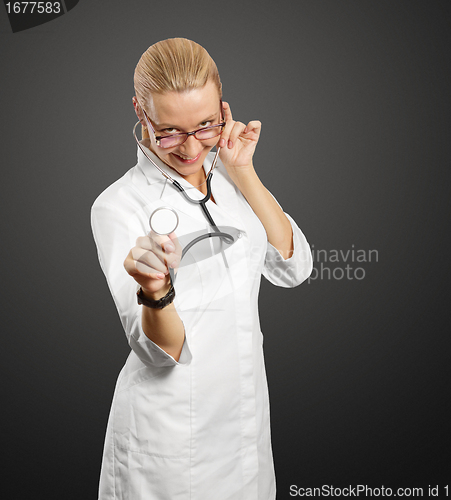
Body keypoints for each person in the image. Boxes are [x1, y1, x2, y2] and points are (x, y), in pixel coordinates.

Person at [91, 37, 313, 500]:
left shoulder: (231, 176)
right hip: (168, 437)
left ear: (223, 108)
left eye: (206, 125)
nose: (191, 148)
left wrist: (243, 170)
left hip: (244, 425)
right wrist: (155, 291)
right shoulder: (118, 206)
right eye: (168, 131)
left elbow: (294, 268)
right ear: (139, 111)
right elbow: (160, 353)